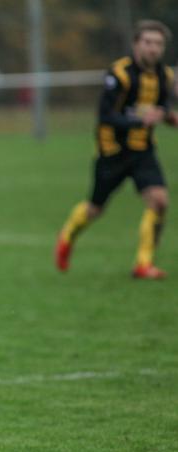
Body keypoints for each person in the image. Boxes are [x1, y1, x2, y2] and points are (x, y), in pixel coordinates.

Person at [56, 20, 177, 279]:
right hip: (112, 152)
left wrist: (168, 116)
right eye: (148, 42)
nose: (153, 48)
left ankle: (143, 264)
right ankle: (67, 236)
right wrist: (140, 121)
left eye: (158, 44)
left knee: (159, 201)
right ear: (136, 44)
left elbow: (160, 109)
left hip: (143, 151)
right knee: (94, 208)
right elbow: (105, 116)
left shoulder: (165, 76)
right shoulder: (119, 74)